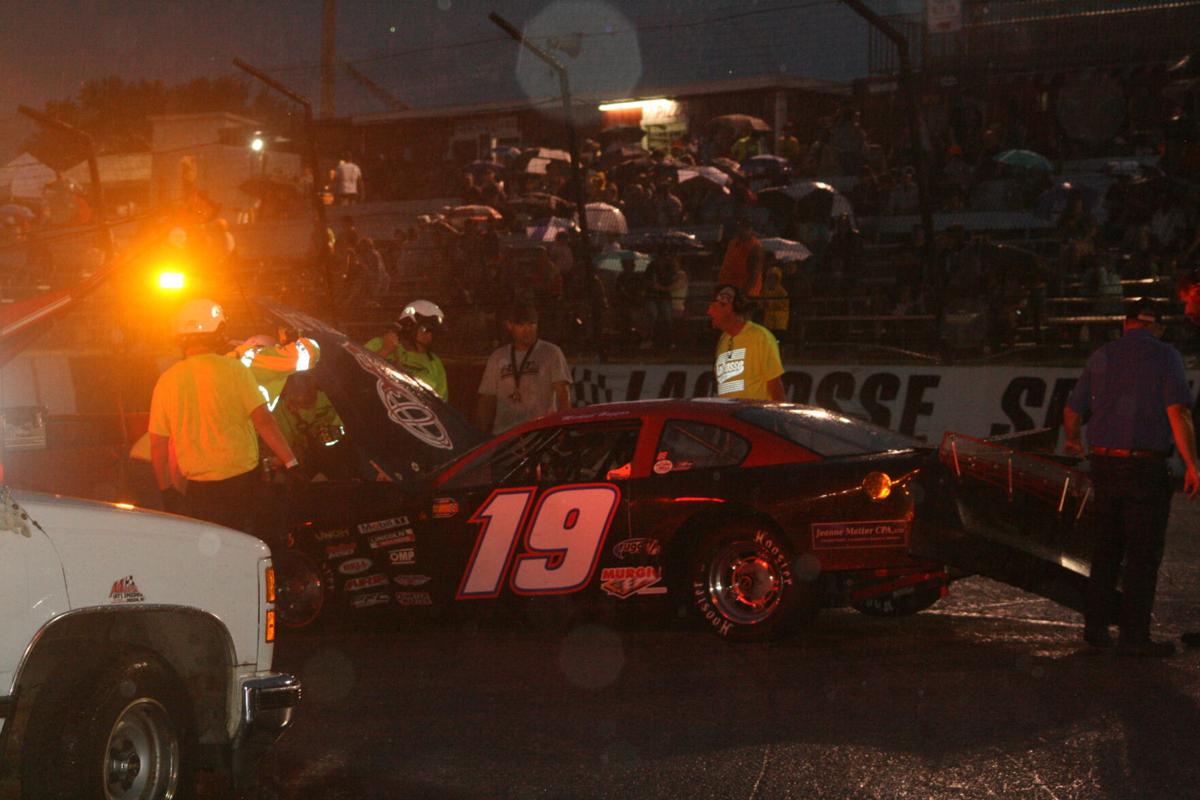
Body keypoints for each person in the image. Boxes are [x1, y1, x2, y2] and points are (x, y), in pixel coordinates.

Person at [1063, 299, 1199, 657]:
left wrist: (1075, 440)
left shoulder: (1102, 355)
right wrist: (1192, 465)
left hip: (1105, 465)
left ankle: (1095, 628)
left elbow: (1072, 410)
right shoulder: (1165, 356)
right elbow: (1178, 412)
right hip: (1144, 467)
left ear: (1126, 324)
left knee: (1106, 549)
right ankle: (1134, 636)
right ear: (1156, 326)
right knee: (1142, 553)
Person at [148, 299, 301, 532]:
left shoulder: (167, 380)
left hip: (199, 492)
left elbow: (158, 445)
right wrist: (292, 463)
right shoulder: (234, 370)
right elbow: (264, 421)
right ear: (218, 333)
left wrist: (167, 491)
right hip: (244, 486)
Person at [476, 301, 572, 434]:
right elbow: (487, 397)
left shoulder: (551, 352)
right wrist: (481, 430)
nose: (527, 330)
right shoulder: (497, 356)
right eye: (521, 325)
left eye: (532, 324)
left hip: (540, 434)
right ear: (509, 325)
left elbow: (563, 393)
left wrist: (564, 429)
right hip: (506, 434)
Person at [707, 284, 785, 401]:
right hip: (729, 415)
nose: (709, 312)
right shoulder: (723, 339)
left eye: (714, 307)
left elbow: (775, 385)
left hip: (755, 416)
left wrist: (779, 417)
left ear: (729, 308)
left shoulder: (759, 336)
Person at [365, 300, 449, 401]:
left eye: (433, 332)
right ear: (409, 326)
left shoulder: (434, 363)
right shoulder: (378, 344)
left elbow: (440, 404)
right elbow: (355, 375)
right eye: (425, 329)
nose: (429, 336)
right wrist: (385, 350)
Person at [717, 218, 763, 298]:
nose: (742, 230)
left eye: (746, 228)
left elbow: (754, 273)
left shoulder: (755, 247)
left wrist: (744, 293)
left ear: (751, 229)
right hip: (728, 289)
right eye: (741, 227)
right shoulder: (733, 242)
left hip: (745, 292)